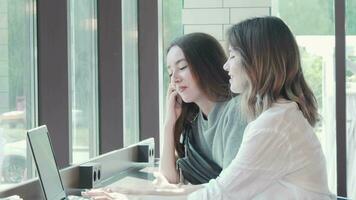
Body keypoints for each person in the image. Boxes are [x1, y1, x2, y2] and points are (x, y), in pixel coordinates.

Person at [188, 16, 335, 199]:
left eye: (232, 56)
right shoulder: (280, 117)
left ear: (255, 62)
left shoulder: (273, 126)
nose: (226, 66)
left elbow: (221, 194)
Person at [160, 32, 247, 184]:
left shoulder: (236, 110)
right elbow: (169, 180)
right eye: (170, 73)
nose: (175, 79)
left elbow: (231, 188)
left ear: (206, 65)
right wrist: (169, 124)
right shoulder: (193, 123)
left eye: (182, 67)